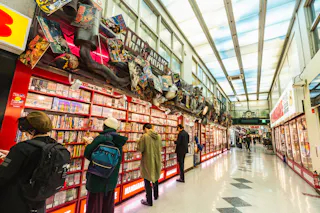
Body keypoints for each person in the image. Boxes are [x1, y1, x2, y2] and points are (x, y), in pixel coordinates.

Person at [0, 111, 58, 213]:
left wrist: (12, 158)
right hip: (38, 203)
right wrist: (11, 156)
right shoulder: (54, 147)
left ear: (31, 130)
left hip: (15, 202)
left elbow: (3, 175)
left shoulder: (22, 148)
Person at [84, 117, 127, 213]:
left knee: (94, 206)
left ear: (105, 126)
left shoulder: (101, 138)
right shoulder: (119, 141)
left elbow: (87, 153)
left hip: (96, 178)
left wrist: (89, 144)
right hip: (111, 179)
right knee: (108, 206)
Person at [137, 123, 162, 206]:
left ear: (145, 129)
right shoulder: (158, 136)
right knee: (155, 177)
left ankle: (149, 201)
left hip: (147, 160)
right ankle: (156, 195)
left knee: (147, 180)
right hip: (156, 159)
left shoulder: (145, 136)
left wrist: (138, 141)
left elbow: (140, 148)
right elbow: (160, 147)